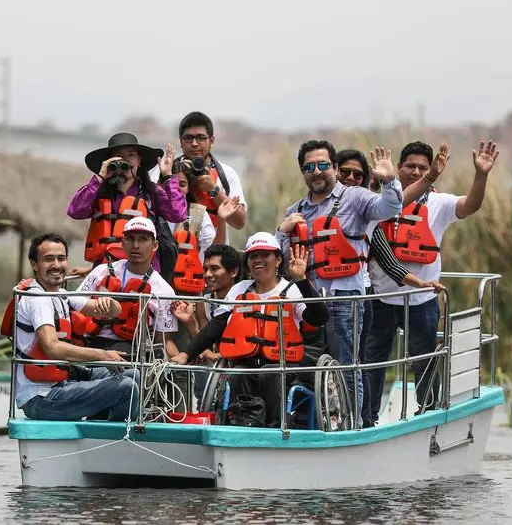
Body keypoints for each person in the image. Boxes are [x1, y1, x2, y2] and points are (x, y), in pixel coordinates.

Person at [363, 140, 500, 422]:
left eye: (422, 168)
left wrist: (481, 174)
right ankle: (368, 417)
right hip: (380, 297)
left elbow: (469, 205)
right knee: (373, 362)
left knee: (424, 359)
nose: (416, 171)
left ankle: (428, 414)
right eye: (410, 166)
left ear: (432, 169)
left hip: (422, 299)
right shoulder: (381, 203)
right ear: (398, 168)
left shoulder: (439, 203)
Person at [273, 140, 403, 429]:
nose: (316, 172)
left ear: (333, 167)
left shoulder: (355, 198)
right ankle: (315, 423)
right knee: (308, 367)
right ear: (302, 172)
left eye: (322, 165)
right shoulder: (296, 210)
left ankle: (352, 427)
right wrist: (282, 231)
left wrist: (389, 180)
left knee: (347, 366)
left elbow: (390, 207)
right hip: (308, 301)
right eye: (309, 167)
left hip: (345, 298)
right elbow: (280, 260)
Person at [334, 148, 446, 427]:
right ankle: (348, 418)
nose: (350, 178)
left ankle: (366, 420)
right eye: (344, 172)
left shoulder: (368, 212)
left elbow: (388, 255)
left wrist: (418, 283)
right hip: (323, 302)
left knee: (366, 361)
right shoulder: (313, 208)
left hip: (361, 298)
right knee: (355, 362)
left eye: (357, 174)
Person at [170, 233, 329, 428]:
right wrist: (186, 354)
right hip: (246, 361)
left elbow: (319, 319)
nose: (258, 260)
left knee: (271, 373)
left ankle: (274, 428)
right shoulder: (239, 290)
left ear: (278, 259)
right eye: (253, 256)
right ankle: (245, 425)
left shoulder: (293, 290)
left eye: (265, 255)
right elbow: (217, 325)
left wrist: (302, 280)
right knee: (237, 374)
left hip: (283, 364)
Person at [12, 233, 140, 422]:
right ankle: (111, 437)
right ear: (34, 264)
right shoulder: (38, 299)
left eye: (61, 258)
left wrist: (108, 303)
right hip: (41, 398)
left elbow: (115, 312)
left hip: (62, 381)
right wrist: (103, 355)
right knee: (127, 387)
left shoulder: (62, 294)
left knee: (133, 373)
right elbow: (52, 347)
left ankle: (100, 426)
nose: (56, 265)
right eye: (48, 259)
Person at [68, 132, 186, 277]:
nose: (126, 160)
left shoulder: (152, 193)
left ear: (139, 160)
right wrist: (100, 176)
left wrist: (168, 176)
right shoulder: (98, 193)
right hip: (105, 272)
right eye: (119, 155)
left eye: (131, 155)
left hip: (143, 274)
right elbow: (75, 211)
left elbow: (178, 214)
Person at [74, 217, 183, 361]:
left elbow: (163, 340)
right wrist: (95, 305)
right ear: (123, 244)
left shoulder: (164, 290)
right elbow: (73, 301)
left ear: (155, 245)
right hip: (90, 342)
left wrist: (182, 358)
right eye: (130, 239)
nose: (136, 245)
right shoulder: (101, 271)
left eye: (143, 239)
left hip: (132, 350)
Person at [156, 111, 248, 245]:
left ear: (211, 141)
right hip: (171, 258)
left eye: (200, 138)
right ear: (181, 141)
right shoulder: (165, 170)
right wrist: (169, 180)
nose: (194, 143)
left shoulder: (226, 174)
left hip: (213, 259)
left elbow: (239, 222)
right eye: (188, 138)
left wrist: (214, 190)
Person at [171, 244, 243, 405]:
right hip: (212, 364)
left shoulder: (244, 297)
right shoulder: (205, 300)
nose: (208, 275)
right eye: (206, 269)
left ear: (233, 272)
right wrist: (190, 322)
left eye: (215, 269)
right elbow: (204, 337)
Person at [166, 164, 243, 296]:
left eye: (182, 184)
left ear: (189, 188)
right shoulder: (154, 211)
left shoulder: (198, 213)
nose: (178, 189)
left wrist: (221, 220)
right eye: (173, 184)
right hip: (162, 288)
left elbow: (213, 251)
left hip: (191, 290)